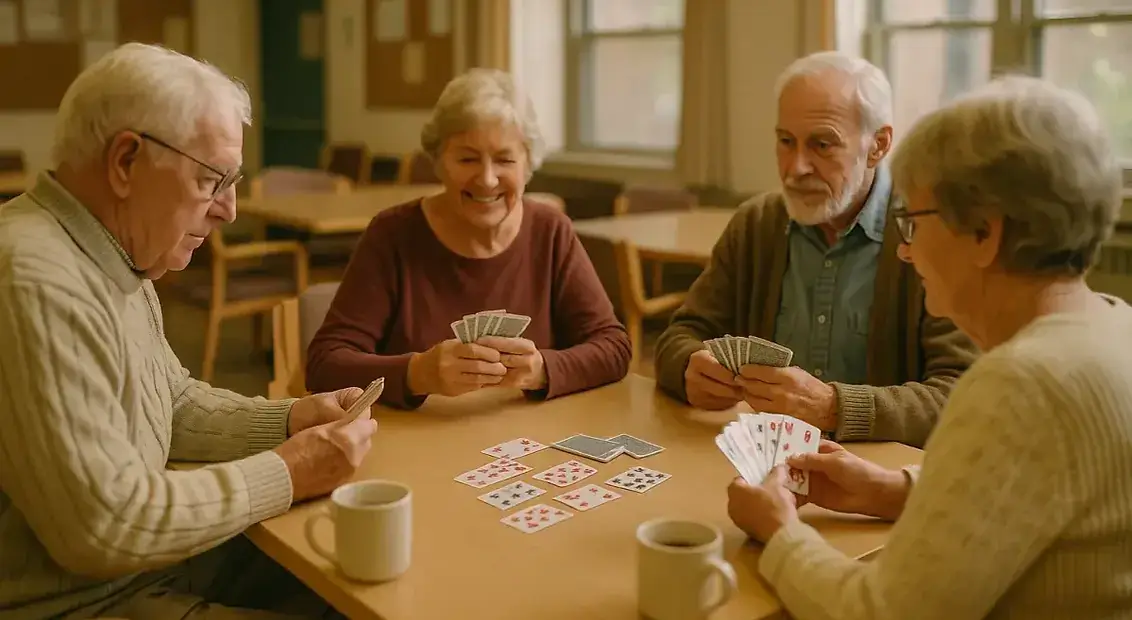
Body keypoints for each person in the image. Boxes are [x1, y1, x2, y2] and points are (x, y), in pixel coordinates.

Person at [727, 76, 1132, 619]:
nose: (906, 253)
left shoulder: (1021, 382)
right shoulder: (1113, 323)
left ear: (985, 235)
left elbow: (880, 612)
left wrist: (778, 531)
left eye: (914, 222)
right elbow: (1038, 495)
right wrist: (895, 490)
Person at [0, 43, 377, 619]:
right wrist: (291, 470)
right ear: (126, 161)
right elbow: (106, 526)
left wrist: (290, 419)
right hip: (80, 601)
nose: (229, 209)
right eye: (212, 179)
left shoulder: (114, 249)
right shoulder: (36, 280)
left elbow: (170, 404)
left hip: (143, 569)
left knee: (365, 579)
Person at [654, 51, 978, 447]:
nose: (795, 168)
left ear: (878, 145)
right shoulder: (757, 224)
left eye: (822, 145)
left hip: (880, 480)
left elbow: (962, 395)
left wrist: (834, 407)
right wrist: (687, 367)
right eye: (785, 142)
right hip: (761, 462)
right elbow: (681, 335)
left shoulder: (929, 231)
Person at [306, 68, 631, 408]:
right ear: (439, 162)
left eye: (505, 159)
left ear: (528, 166)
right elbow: (324, 364)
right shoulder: (392, 235)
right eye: (467, 158)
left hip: (530, 442)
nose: (487, 179)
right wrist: (417, 373)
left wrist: (543, 370)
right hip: (416, 443)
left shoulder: (551, 231)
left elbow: (614, 347)